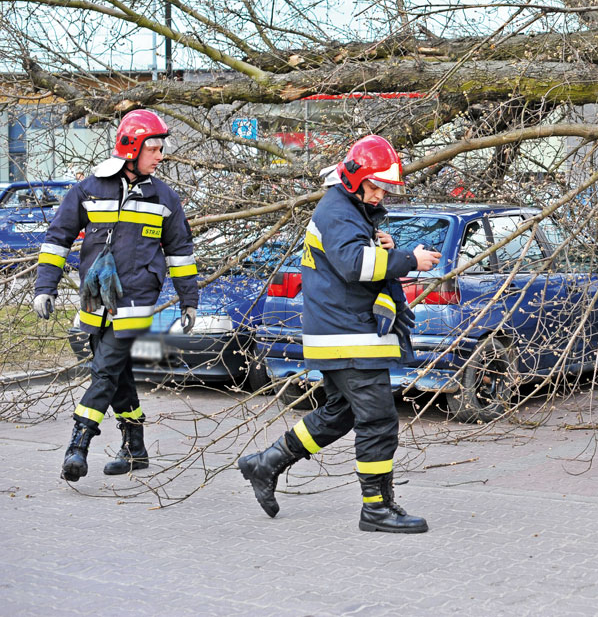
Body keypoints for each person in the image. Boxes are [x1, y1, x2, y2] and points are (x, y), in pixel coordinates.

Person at [238, 135, 441, 533]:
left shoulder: (347, 207)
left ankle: (267, 464)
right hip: (349, 336)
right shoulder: (337, 210)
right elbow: (353, 265)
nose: (382, 194)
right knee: (378, 420)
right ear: (356, 179)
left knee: (340, 414)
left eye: (386, 187)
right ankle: (376, 509)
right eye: (377, 185)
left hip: (342, 333)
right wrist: (407, 259)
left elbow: (351, 256)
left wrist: (388, 244)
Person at [32, 110, 198, 481]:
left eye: (160, 148)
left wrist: (189, 300)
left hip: (137, 298)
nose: (160, 156)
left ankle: (78, 445)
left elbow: (181, 254)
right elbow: (57, 239)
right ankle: (135, 449)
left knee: (104, 371)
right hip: (96, 297)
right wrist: (45, 288)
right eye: (153, 148)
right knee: (118, 375)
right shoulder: (89, 189)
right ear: (131, 149)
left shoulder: (165, 197)